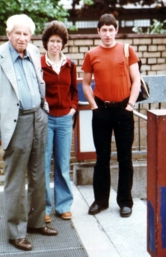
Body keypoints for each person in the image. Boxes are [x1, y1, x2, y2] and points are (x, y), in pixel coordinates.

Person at [0, 14, 58, 251]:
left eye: (26, 34)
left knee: (38, 174)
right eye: (18, 33)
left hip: (38, 117)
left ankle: (36, 223)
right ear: (9, 34)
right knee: (15, 180)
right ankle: (16, 232)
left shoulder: (35, 52)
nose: (22, 38)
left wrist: (43, 111)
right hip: (15, 124)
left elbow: (39, 82)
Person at [81, 14, 140, 218]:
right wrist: (93, 106)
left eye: (110, 29)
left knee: (125, 158)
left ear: (116, 30)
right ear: (98, 32)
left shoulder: (127, 50)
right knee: (102, 158)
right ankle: (100, 201)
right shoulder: (91, 54)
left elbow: (137, 81)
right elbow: (86, 84)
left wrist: (130, 105)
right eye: (103, 30)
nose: (107, 34)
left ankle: (125, 202)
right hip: (101, 111)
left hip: (124, 110)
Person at [41, 21, 78, 223]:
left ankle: (63, 206)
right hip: (45, 119)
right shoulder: (38, 64)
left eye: (59, 41)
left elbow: (74, 91)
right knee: (44, 164)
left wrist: (72, 109)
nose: (55, 45)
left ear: (63, 44)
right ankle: (44, 208)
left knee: (63, 164)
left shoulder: (70, 65)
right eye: (52, 41)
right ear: (46, 42)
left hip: (64, 119)